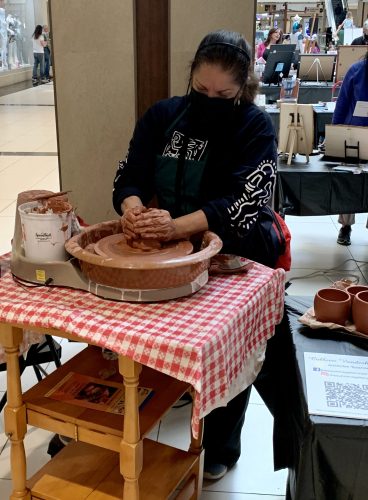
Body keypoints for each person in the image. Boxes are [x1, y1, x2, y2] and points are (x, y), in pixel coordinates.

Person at [113, 30, 283, 480]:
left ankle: (223, 439)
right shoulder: (164, 115)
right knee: (150, 327)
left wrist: (175, 226)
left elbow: (241, 203)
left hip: (237, 245)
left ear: (242, 88)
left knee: (232, 340)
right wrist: (133, 212)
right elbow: (128, 175)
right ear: (190, 77)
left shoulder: (254, 127)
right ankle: (163, 395)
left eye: (223, 94)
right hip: (170, 245)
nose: (210, 99)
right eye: (201, 89)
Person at [333, 52, 368, 245]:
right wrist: (335, 134)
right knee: (349, 183)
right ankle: (346, 226)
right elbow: (342, 104)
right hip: (354, 134)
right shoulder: (356, 70)